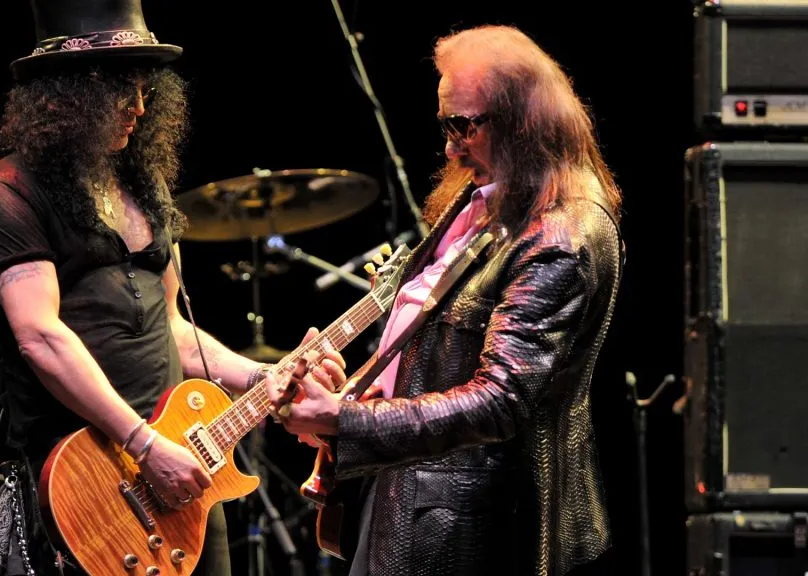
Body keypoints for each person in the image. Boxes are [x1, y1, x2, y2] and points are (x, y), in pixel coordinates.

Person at [0, 1, 344, 575]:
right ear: (70, 96)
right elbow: (40, 336)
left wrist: (265, 379)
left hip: (180, 472)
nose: (139, 107)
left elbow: (171, 330)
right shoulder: (6, 194)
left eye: (145, 89)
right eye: (121, 91)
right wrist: (143, 444)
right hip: (87, 488)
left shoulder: (141, 189)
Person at [266, 24, 624, 576]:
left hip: (469, 528)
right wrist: (355, 388)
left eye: (463, 125)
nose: (450, 145)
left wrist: (346, 420)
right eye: (445, 124)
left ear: (521, 121)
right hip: (413, 501)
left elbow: (500, 400)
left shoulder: (561, 235)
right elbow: (429, 357)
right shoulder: (486, 203)